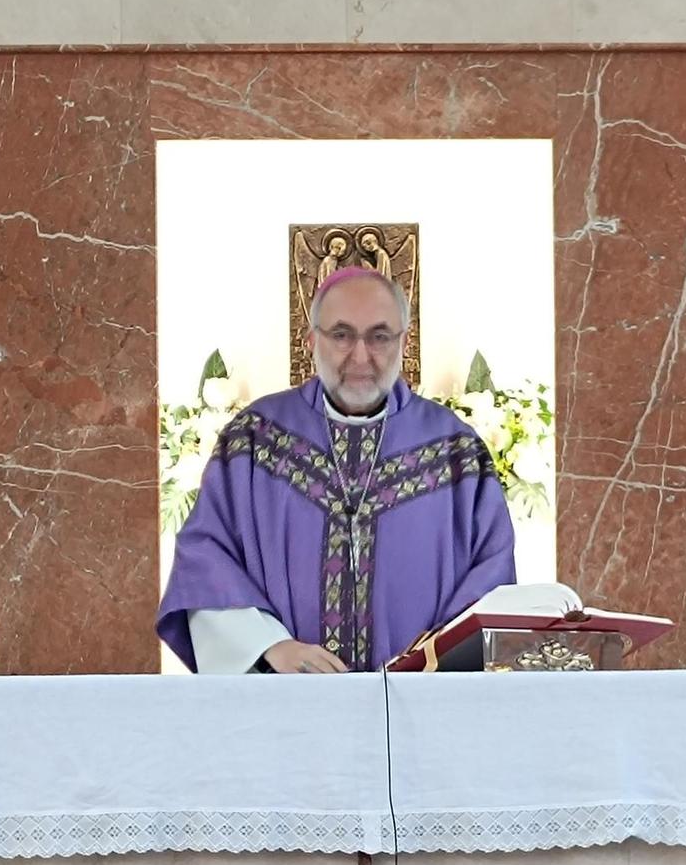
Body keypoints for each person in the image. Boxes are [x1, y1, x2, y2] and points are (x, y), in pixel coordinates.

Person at [159, 267, 515, 673]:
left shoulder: (456, 451)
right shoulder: (255, 440)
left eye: (380, 336)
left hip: (420, 706)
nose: (361, 356)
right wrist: (271, 646)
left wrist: (430, 662)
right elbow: (205, 558)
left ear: (404, 341)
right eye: (342, 335)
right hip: (285, 706)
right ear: (311, 340)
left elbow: (493, 578)